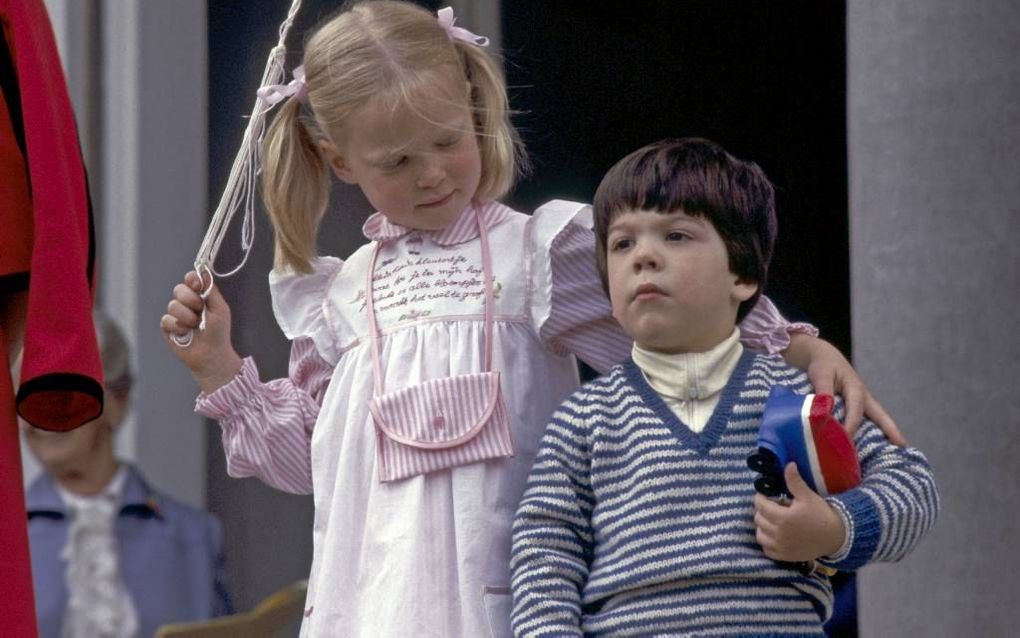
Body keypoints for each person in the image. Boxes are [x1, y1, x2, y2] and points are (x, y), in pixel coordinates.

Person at [160, 3, 899, 636]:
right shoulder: (339, 299)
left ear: (476, 113)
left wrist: (797, 348)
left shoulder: (539, 256)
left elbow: (686, 327)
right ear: (340, 160)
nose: (433, 173)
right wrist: (221, 369)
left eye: (449, 140)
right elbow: (311, 468)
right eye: (396, 160)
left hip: (516, 608)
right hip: (371, 611)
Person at [509, 138, 939, 636]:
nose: (643, 256)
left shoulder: (797, 398)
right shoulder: (583, 419)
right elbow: (544, 551)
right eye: (622, 243)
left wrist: (834, 527)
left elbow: (914, 487)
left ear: (744, 276)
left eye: (675, 235)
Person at [22, 310, 233, 638]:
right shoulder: (8, 537)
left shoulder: (195, 537)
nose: (42, 412)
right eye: (27, 392)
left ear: (117, 401)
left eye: (64, 393)